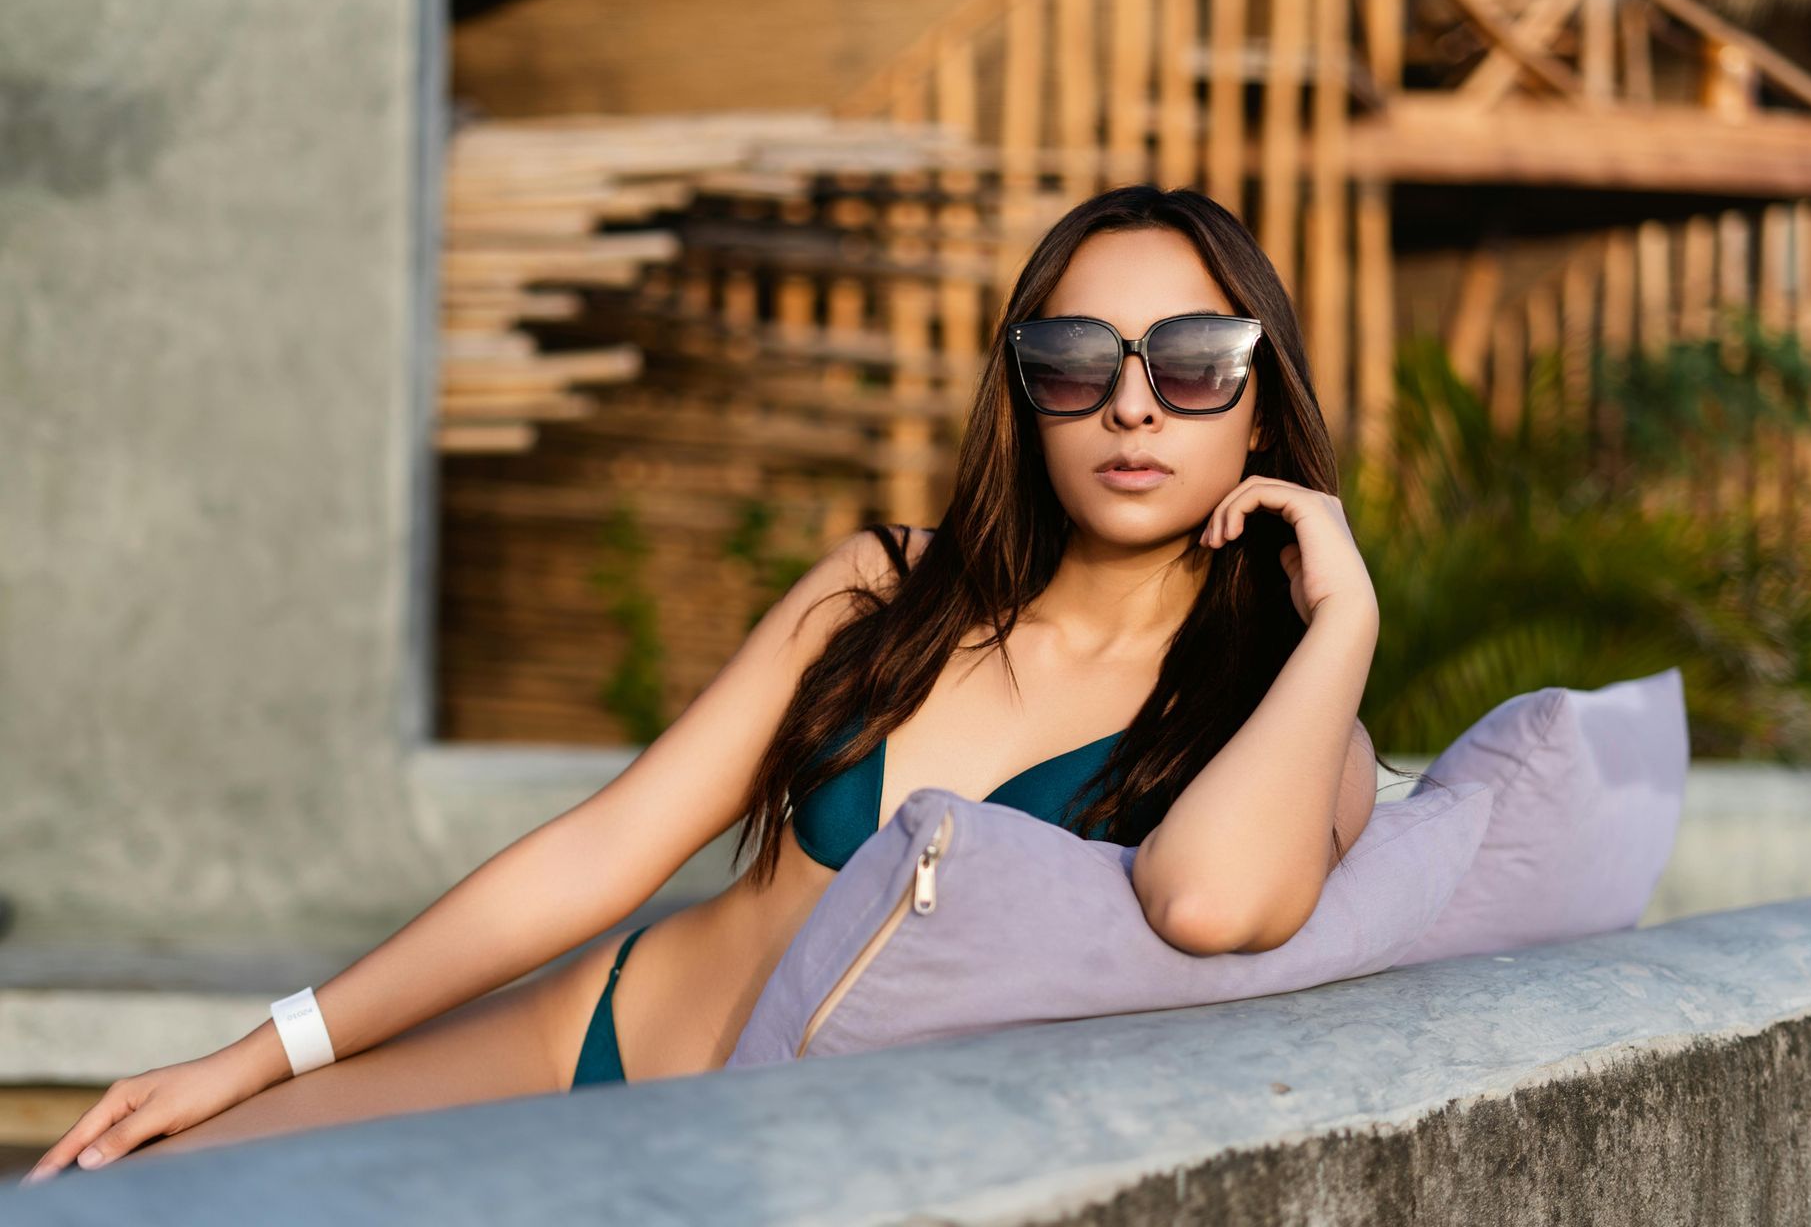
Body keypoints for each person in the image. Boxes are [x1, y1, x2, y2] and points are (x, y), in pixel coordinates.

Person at [23, 184, 1409, 1184]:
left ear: (1263, 396)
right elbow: (608, 848)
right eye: (1073, 363)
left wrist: (1342, 616)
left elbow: (1215, 900)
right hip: (594, 1044)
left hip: (765, 1177)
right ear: (1022, 393)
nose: (1131, 407)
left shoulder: (1287, 732)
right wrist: (259, 1057)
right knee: (141, 1187)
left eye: (1190, 364)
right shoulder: (887, 590)